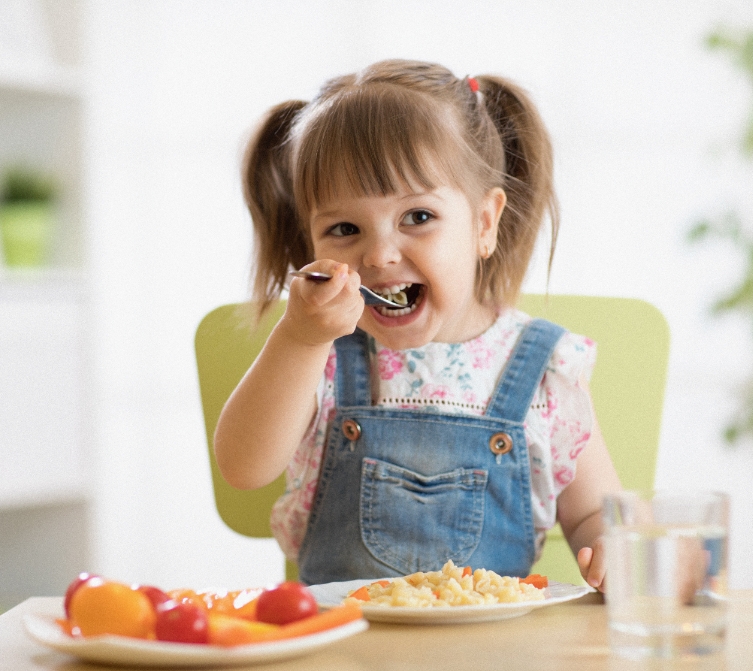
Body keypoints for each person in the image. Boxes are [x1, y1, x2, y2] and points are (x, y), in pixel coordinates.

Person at [214, 59, 621, 589]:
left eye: (418, 217)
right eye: (344, 228)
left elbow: (593, 515)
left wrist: (610, 545)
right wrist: (298, 337)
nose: (380, 255)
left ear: (483, 223)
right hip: (346, 651)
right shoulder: (321, 357)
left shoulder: (545, 370)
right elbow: (244, 467)